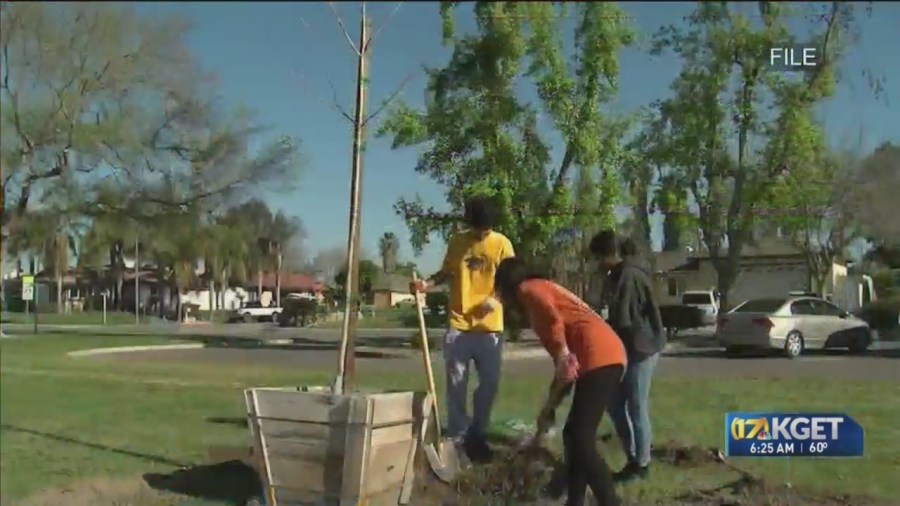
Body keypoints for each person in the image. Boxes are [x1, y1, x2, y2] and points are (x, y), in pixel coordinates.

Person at [494, 257, 626, 506]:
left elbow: (554, 323)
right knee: (572, 435)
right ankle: (574, 501)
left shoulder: (529, 289)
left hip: (600, 355)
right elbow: (565, 371)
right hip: (602, 354)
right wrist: (549, 408)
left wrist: (563, 352)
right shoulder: (543, 289)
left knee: (581, 438)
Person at [409, 197, 515, 462]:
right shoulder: (457, 241)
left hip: (490, 328)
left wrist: (496, 299)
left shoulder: (502, 244)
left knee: (489, 384)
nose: (481, 233)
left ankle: (478, 433)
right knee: (456, 384)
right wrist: (425, 284)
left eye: (486, 229)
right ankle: (458, 436)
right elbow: (446, 273)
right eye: (478, 228)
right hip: (459, 324)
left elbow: (514, 277)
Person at [589, 230, 665, 482]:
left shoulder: (630, 275)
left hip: (641, 347)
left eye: (599, 257)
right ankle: (634, 456)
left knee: (636, 405)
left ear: (612, 253)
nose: (597, 263)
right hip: (626, 346)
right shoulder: (617, 273)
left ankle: (641, 465)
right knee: (613, 403)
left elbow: (623, 319)